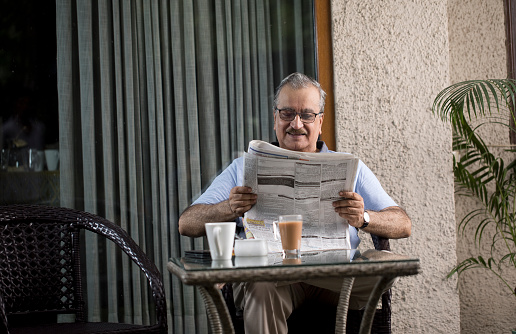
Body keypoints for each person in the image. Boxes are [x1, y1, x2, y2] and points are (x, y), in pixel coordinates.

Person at [178, 72, 411, 334]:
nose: (296, 124)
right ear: (276, 118)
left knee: (383, 271)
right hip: (273, 281)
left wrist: (364, 218)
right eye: (287, 113)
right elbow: (187, 223)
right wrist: (228, 208)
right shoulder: (242, 168)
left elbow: (402, 223)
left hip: (338, 281)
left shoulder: (347, 167)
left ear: (320, 121)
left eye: (307, 115)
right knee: (261, 284)